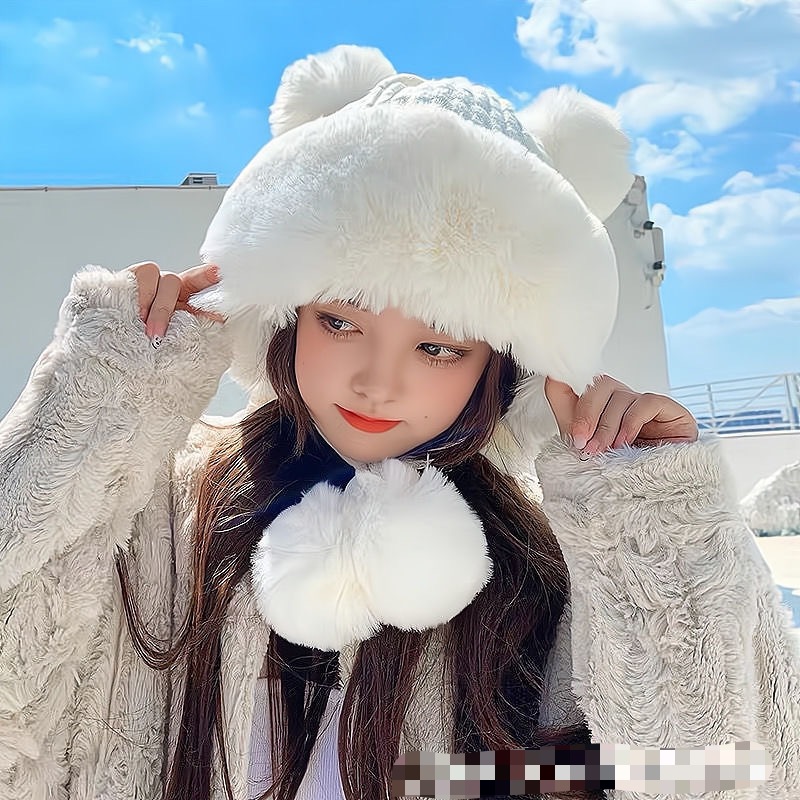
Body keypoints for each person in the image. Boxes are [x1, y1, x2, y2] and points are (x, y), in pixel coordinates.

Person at [1, 44, 798, 800]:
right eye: (340, 322)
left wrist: (659, 534)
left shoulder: (546, 563)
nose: (378, 383)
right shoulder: (165, 519)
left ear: (502, 368)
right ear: (285, 317)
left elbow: (725, 775)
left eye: (438, 346)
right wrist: (92, 407)